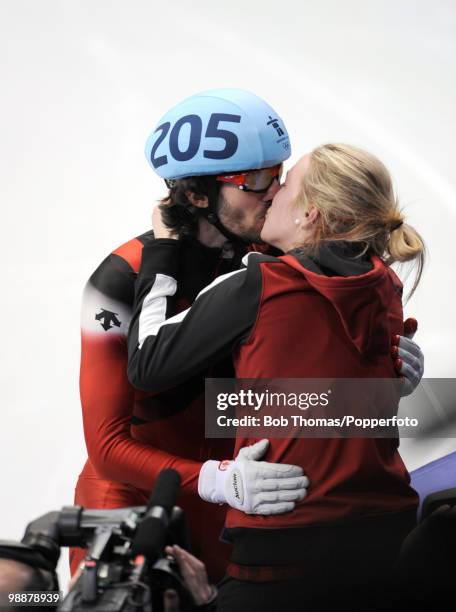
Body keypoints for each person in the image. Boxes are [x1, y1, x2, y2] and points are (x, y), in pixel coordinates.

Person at [73, 88, 423, 582]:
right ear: (198, 195)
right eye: (257, 180)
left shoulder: (280, 255)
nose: (276, 192)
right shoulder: (120, 279)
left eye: (279, 174)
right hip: (141, 494)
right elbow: (107, 446)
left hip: (253, 497)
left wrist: (380, 372)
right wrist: (215, 480)